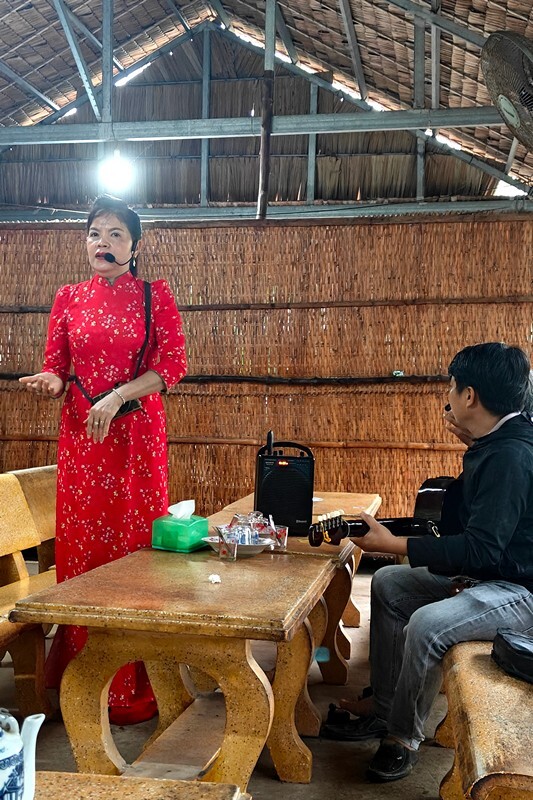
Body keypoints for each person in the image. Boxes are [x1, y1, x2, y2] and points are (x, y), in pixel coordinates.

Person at [324, 342, 533, 782]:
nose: (449, 396)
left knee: (427, 624)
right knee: (389, 584)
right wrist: (473, 446)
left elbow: (481, 550)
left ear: (469, 396)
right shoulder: (499, 441)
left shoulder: (512, 454)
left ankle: (403, 737)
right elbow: (468, 519)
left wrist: (394, 543)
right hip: (492, 576)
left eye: (452, 387)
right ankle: (384, 707)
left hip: (519, 592)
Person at [20, 195, 187, 724]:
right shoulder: (67, 297)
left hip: (134, 435)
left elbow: (173, 365)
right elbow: (57, 367)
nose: (103, 243)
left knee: (134, 548)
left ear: (135, 247)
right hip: (82, 438)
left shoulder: (154, 295)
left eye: (116, 235)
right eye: (95, 233)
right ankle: (81, 680)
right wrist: (51, 382)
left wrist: (117, 397)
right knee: (83, 548)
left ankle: (133, 681)